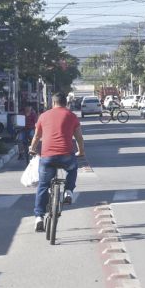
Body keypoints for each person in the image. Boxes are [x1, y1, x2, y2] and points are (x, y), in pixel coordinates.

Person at [29, 92, 85, 232]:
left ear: (53, 103)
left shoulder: (43, 116)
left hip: (47, 157)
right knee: (72, 169)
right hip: (66, 155)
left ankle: (39, 218)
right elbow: (79, 137)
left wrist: (32, 148)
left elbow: (36, 136)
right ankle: (68, 192)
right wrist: (81, 152)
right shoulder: (71, 116)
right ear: (65, 103)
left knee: (43, 185)